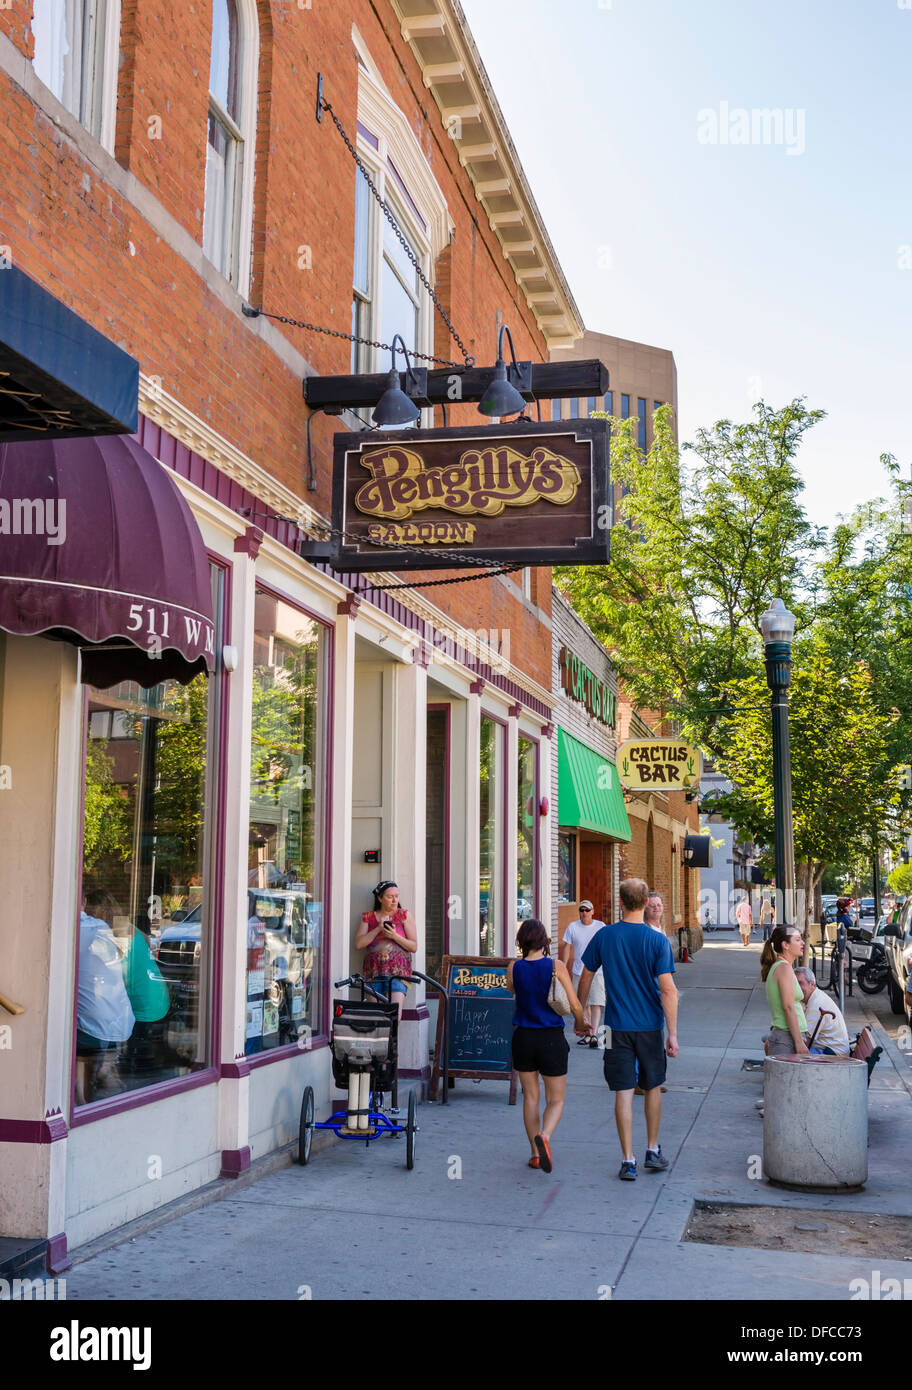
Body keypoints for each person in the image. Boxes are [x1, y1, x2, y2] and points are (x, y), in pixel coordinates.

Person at [576, 878, 678, 1182]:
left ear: (620, 902)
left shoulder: (605, 936)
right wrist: (672, 1033)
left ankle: (627, 1159)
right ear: (647, 903)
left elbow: (585, 977)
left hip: (613, 1027)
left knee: (622, 1091)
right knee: (653, 1085)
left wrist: (580, 1015)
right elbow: (668, 991)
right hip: (650, 1026)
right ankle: (651, 1149)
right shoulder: (657, 941)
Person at [506, 918, 585, 1172]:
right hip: (550, 1037)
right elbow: (574, 1005)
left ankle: (534, 1154)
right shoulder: (556, 966)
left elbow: (511, 991)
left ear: (522, 941)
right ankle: (546, 1136)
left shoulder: (513, 967)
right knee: (556, 1099)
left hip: (523, 1038)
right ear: (544, 941)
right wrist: (582, 1024)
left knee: (531, 1098)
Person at [76, 890, 136, 1104]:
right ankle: (100, 1079)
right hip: (120, 1022)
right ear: (83, 902)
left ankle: (83, 1097)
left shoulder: (72, 929)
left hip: (92, 1028)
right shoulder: (100, 927)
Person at [354, 880, 418, 1026]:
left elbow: (413, 946)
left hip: (398, 973)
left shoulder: (404, 916)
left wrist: (394, 936)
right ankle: (380, 1048)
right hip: (374, 972)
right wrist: (378, 929)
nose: (395, 900)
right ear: (380, 898)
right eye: (390, 897)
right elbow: (358, 944)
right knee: (376, 1017)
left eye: (397, 896)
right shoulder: (368, 917)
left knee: (394, 1016)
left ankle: (392, 1048)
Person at [559, 900, 606, 1048]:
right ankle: (587, 1033)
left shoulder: (601, 927)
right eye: (581, 910)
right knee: (581, 1004)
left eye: (587, 910)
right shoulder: (573, 927)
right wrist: (564, 966)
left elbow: (606, 946)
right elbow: (567, 946)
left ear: (593, 911)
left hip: (597, 971)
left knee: (596, 1003)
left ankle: (593, 1035)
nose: (584, 913)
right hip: (578, 971)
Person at [760, 925, 810, 1056]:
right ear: (785, 945)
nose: (803, 943)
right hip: (786, 1038)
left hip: (788, 1036)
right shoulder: (784, 968)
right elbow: (788, 1007)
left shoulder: (784, 967)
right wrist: (799, 1042)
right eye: (798, 940)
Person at [794, 965, 850, 1056]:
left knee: (790, 1051)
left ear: (812, 984)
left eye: (800, 983)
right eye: (795, 984)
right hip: (829, 1049)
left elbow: (805, 1042)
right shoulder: (813, 997)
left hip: (834, 1054)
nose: (796, 987)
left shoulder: (816, 1004)